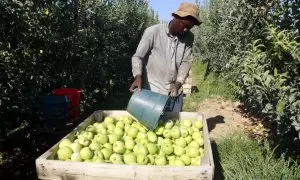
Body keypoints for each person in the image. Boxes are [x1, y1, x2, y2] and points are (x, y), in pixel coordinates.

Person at [129, 2, 202, 112]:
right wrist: (137, 76)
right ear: (176, 17)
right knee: (149, 124)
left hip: (173, 92)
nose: (186, 30)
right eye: (185, 25)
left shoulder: (188, 38)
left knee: (173, 125)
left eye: (190, 28)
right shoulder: (153, 32)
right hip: (152, 91)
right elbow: (138, 56)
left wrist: (179, 83)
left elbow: (186, 61)